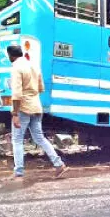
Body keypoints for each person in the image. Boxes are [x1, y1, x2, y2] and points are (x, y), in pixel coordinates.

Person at [6, 44, 68, 181]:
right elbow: (41, 88)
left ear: (11, 56)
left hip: (23, 108)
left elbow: (16, 94)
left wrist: (15, 114)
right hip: (36, 106)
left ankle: (19, 171)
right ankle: (59, 164)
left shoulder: (16, 67)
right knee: (39, 138)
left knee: (17, 140)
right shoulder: (34, 66)